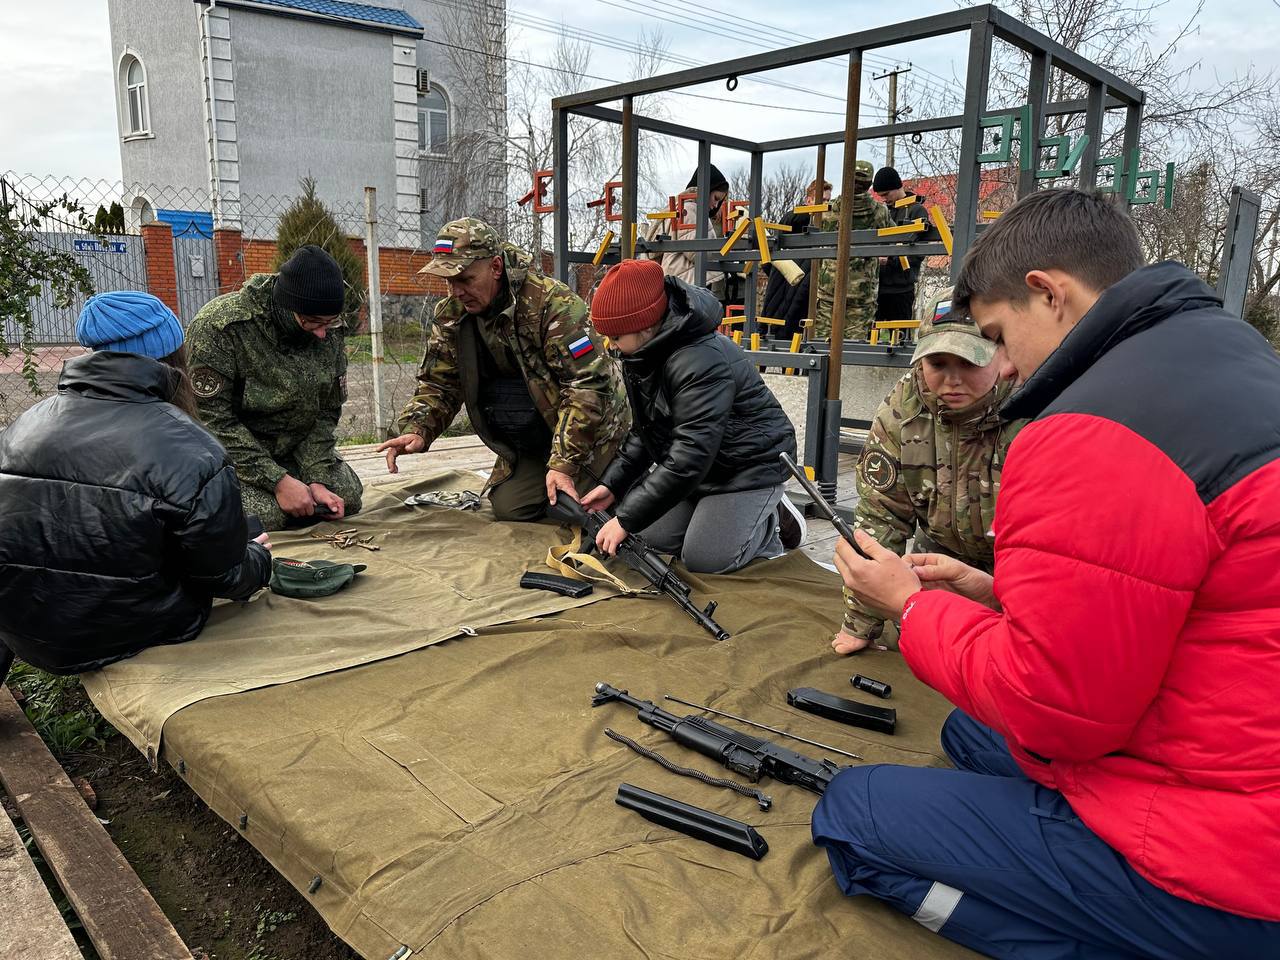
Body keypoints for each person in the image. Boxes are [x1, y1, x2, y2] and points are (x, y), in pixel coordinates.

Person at [816, 189, 1280, 958]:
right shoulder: (1234, 360)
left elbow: (1053, 711)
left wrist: (908, 605)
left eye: (998, 337)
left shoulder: (1090, 425)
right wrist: (997, 592)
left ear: (1048, 291)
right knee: (970, 734)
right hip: (1232, 750)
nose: (1001, 365)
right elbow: (1194, 588)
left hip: (1225, 860)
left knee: (853, 814)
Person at [0, 292, 272, 682]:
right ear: (174, 354)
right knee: (235, 541)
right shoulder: (192, 448)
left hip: (23, 628)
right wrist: (257, 561)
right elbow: (224, 578)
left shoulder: (22, 424)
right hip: (122, 633)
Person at [377, 218, 630, 521]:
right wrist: (418, 428)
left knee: (584, 512)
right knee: (510, 508)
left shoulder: (553, 305)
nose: (456, 291)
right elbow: (439, 383)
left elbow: (587, 388)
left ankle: (625, 473)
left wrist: (563, 463)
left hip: (597, 434)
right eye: (449, 282)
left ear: (495, 267)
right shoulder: (452, 315)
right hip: (535, 438)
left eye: (465, 279)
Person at [581, 259, 805, 574]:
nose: (610, 344)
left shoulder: (700, 359)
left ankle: (775, 521)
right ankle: (720, 517)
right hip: (703, 470)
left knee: (707, 559)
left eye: (616, 337)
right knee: (650, 538)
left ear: (645, 325)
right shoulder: (643, 351)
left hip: (748, 467)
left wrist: (626, 517)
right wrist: (613, 485)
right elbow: (646, 431)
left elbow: (690, 454)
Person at [833, 296, 1025, 654]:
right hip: (940, 556)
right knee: (923, 643)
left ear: (1005, 355)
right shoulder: (903, 409)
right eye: (937, 363)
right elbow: (881, 515)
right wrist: (861, 621)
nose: (952, 380)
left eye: (969, 363)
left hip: (1019, 570)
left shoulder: (1037, 411)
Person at [187, 245, 363, 530]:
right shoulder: (223, 327)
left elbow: (326, 413)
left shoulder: (327, 330)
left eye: (329, 323)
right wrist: (277, 481)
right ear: (288, 306)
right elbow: (212, 421)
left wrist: (316, 475)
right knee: (269, 516)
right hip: (235, 459)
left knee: (347, 497)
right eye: (313, 322)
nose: (322, 334)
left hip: (293, 451)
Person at [814, 160, 894, 340]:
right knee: (853, 348)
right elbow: (894, 237)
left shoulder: (830, 210)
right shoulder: (880, 212)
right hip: (862, 292)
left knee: (821, 344)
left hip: (830, 288)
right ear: (869, 185)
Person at [639, 164, 730, 297]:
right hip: (686, 280)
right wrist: (724, 250)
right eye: (716, 198)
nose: (716, 205)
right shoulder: (691, 210)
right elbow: (695, 252)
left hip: (678, 277)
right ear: (706, 190)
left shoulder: (681, 207)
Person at [760, 178, 832, 339]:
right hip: (787, 284)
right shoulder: (797, 218)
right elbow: (771, 253)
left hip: (796, 287)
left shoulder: (822, 223)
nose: (826, 204)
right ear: (809, 200)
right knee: (781, 331)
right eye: (822, 200)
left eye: (828, 200)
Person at [872, 166, 927, 321]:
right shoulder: (883, 212)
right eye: (880, 196)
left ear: (898, 187)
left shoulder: (917, 211)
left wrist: (890, 260)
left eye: (886, 194)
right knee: (870, 338)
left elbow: (917, 251)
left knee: (900, 337)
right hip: (878, 286)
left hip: (901, 288)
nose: (884, 199)